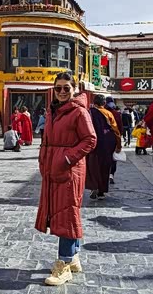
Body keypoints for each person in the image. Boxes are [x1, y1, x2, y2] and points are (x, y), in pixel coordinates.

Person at [35, 72, 97, 286]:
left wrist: (67, 158)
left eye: (66, 88)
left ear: (74, 89)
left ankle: (64, 264)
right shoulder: (53, 110)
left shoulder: (79, 112)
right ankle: (73, 257)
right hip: (53, 169)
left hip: (69, 170)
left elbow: (90, 140)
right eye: (58, 88)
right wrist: (44, 159)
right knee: (64, 212)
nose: (62, 92)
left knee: (67, 215)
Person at [86, 95, 122, 199]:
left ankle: (94, 187)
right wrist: (118, 145)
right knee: (105, 167)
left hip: (93, 143)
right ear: (104, 103)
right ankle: (101, 191)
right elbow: (116, 130)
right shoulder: (108, 113)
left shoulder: (89, 113)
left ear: (94, 103)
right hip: (107, 143)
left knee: (92, 166)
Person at [105, 97, 123, 184]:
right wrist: (119, 140)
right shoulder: (116, 114)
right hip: (114, 138)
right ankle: (111, 174)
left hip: (103, 138)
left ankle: (104, 174)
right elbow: (120, 128)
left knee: (104, 157)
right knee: (113, 158)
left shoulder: (101, 112)